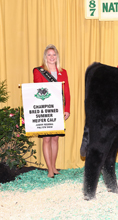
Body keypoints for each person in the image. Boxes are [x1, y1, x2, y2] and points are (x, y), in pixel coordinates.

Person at [33, 44, 70, 178]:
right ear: (45, 57)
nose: (52, 57)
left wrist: (67, 109)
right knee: (47, 139)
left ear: (57, 56)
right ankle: (49, 169)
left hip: (59, 109)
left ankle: (54, 167)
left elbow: (67, 92)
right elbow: (37, 89)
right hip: (46, 110)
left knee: (55, 138)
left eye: (54, 54)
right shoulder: (39, 71)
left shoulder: (63, 72)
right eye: (49, 54)